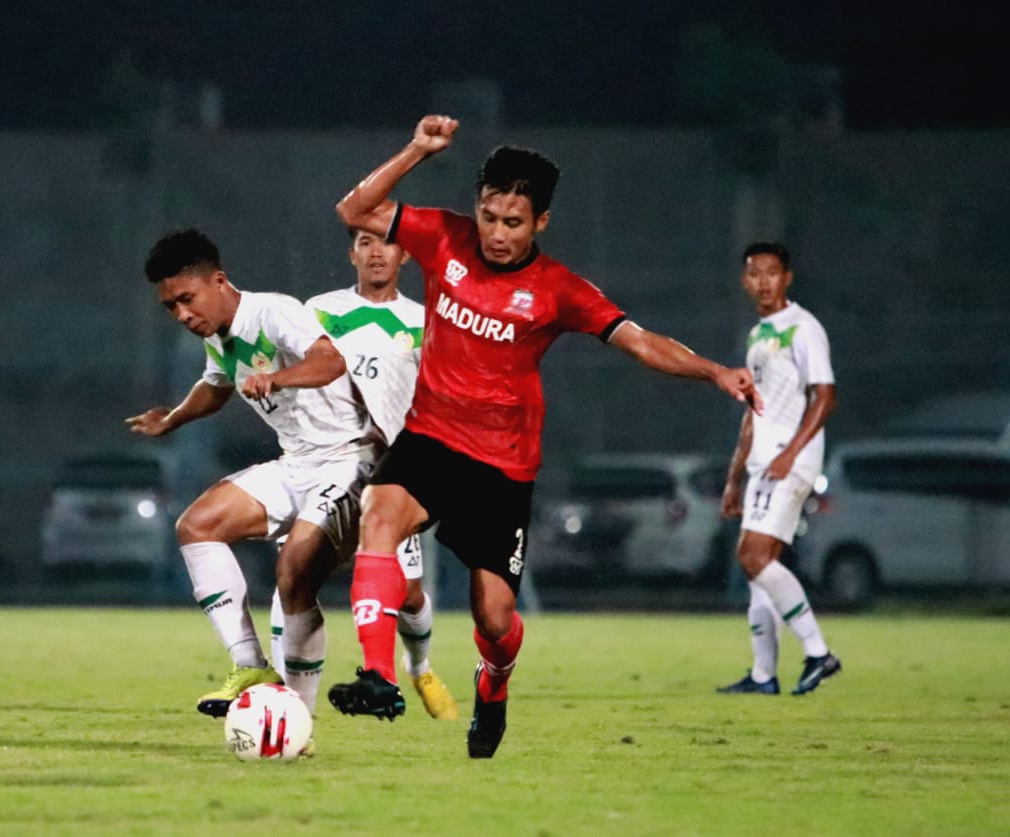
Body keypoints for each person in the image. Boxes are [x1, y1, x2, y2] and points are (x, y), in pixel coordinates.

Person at [325, 115, 761, 758]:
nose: (497, 234)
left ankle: (493, 685)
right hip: (430, 436)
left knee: (493, 618)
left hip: (501, 468)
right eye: (489, 216)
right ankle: (379, 678)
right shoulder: (443, 237)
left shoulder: (558, 290)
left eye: (513, 222)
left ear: (541, 224)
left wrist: (714, 371)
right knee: (378, 515)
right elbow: (354, 208)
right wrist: (419, 150)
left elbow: (640, 342)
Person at [126, 227, 379, 718]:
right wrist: (173, 419)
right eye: (170, 307)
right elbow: (216, 384)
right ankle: (250, 666)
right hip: (298, 464)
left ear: (218, 281)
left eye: (186, 299)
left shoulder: (272, 311)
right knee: (196, 525)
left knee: (293, 572)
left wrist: (277, 377)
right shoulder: (218, 335)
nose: (182, 315)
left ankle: (294, 717)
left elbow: (330, 360)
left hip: (351, 462)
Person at [301, 227, 459, 720]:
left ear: (405, 253)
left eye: (386, 243)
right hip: (329, 461)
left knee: (409, 594)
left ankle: (420, 667)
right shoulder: (319, 311)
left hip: (392, 471)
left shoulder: (423, 321)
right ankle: (290, 688)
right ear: (351, 252)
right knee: (298, 569)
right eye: (365, 242)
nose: (375, 252)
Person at [717, 242, 840, 696]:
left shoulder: (803, 327)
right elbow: (754, 412)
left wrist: (791, 453)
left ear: (787, 276)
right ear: (745, 280)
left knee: (751, 557)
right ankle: (763, 676)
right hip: (762, 464)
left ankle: (817, 652)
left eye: (772, 273)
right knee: (759, 572)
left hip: (789, 460)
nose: (763, 282)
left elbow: (825, 396)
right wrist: (735, 476)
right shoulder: (758, 335)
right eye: (754, 274)